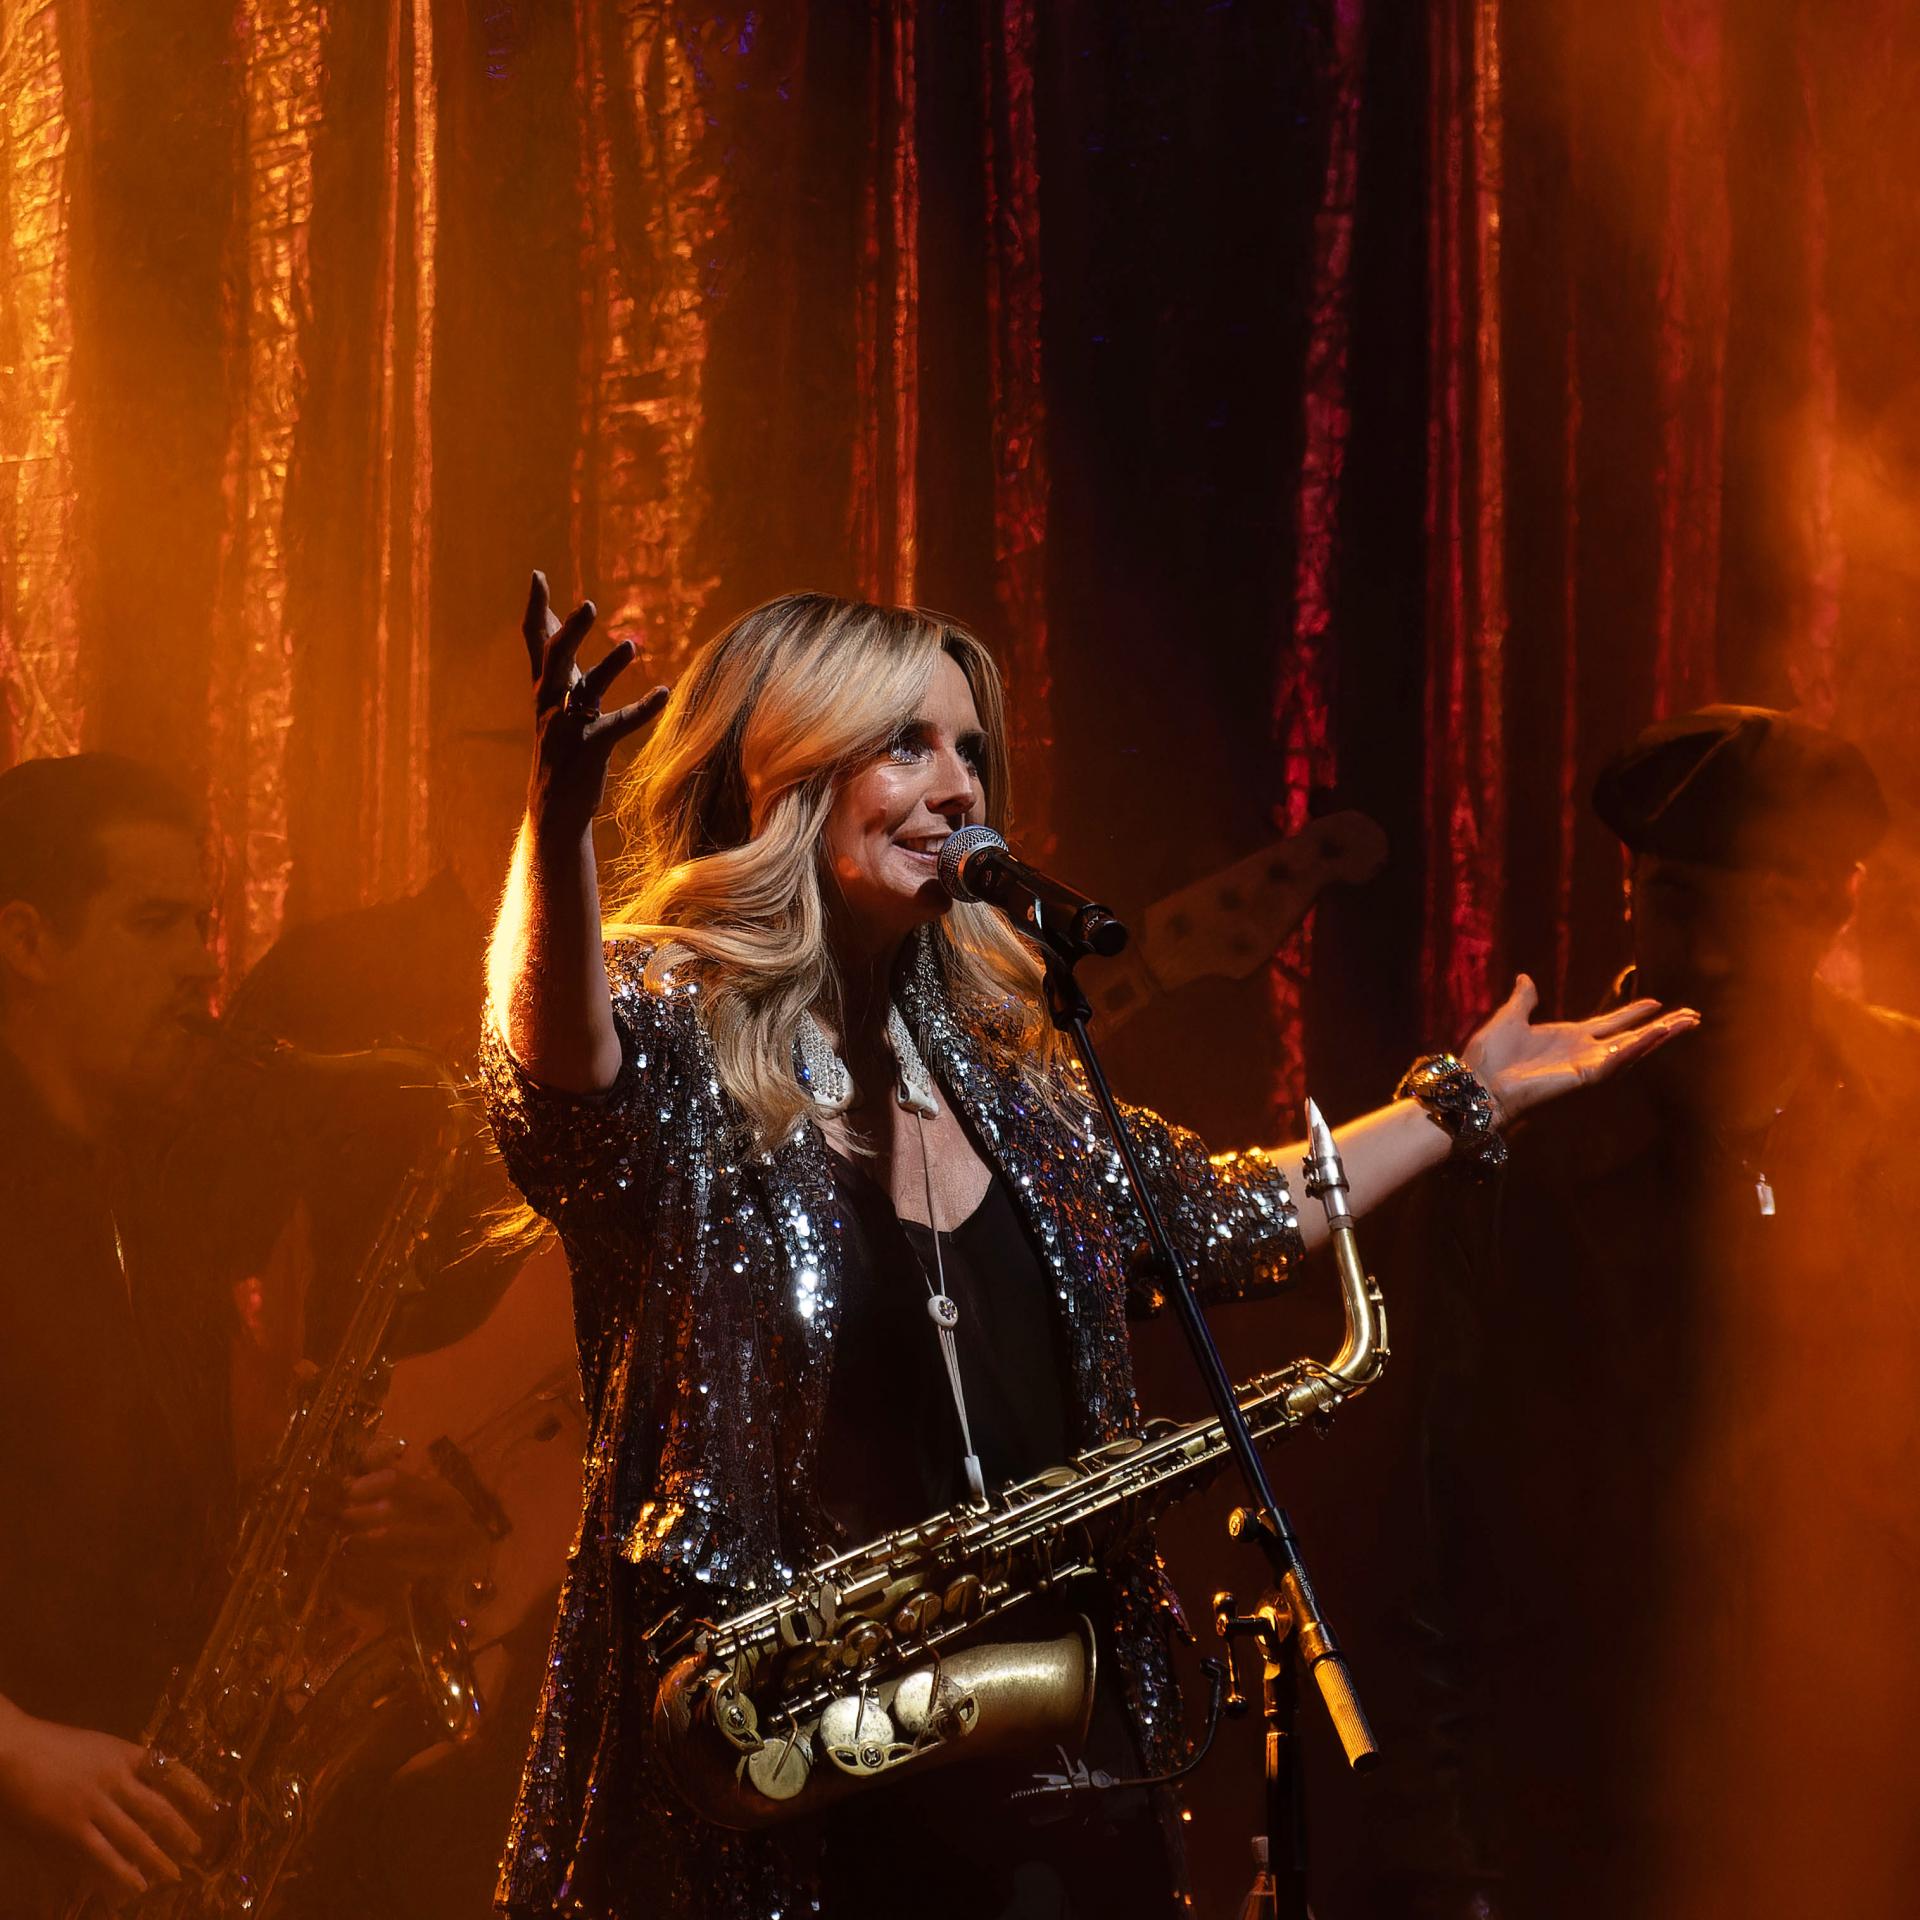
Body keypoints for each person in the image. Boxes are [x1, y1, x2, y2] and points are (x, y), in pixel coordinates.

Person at [481, 574, 1695, 1919]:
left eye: (971, 750)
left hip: (1047, 1780)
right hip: (784, 1798)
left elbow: (1225, 1214)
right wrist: (558, 819)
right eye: (907, 744)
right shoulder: (681, 1048)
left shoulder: (1010, 1082)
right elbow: (558, 1084)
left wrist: (1462, 1104)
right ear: (784, 770)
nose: (960, 786)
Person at [1414, 706, 1920, 1920]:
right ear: (1633, 892)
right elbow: (1423, 1517)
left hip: (1873, 1799)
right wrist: (1440, 1851)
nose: (1720, 958)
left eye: (1764, 911)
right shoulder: (1512, 1144)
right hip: (1589, 1817)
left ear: (1838, 908)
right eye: (1682, 903)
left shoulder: (1907, 1105)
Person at [0, 753, 482, 1914]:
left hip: (131, 1835)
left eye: (205, 923)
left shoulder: (150, 1196)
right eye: (155, 923)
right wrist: (19, 1753)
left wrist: (349, 1526)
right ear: (26, 943)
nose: (202, 963)